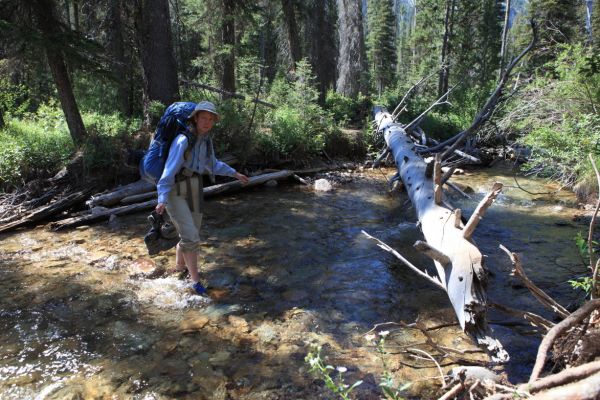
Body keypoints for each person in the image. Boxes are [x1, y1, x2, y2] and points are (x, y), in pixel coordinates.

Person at [155, 101, 249, 296]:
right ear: (195, 118)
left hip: (194, 186)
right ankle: (195, 282)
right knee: (191, 236)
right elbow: (169, 170)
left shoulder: (205, 140)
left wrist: (235, 174)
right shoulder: (182, 140)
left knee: (191, 233)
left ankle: (180, 267)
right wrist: (162, 197)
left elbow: (212, 164)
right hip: (175, 188)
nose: (207, 122)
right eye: (204, 118)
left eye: (211, 119)